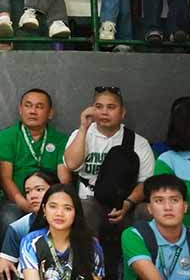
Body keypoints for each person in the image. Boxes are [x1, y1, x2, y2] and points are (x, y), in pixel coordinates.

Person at [61, 87, 155, 280]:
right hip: (89, 201)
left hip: (125, 203)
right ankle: (88, 272)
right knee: (84, 209)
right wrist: (83, 127)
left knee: (147, 211)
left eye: (111, 107)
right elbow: (71, 164)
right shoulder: (81, 134)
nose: (104, 112)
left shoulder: (138, 142)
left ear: (122, 112)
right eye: (99, 106)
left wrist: (128, 203)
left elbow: (146, 183)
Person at [0, 89, 67, 239]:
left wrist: (52, 203)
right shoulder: (6, 137)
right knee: (9, 218)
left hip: (51, 201)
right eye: (28, 106)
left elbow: (64, 179)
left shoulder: (61, 139)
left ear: (50, 113)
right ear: (20, 110)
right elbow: (5, 177)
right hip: (15, 200)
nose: (33, 111)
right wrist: (23, 202)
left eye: (39, 106)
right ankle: (9, 255)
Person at [19, 183, 105, 280]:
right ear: (44, 209)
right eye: (53, 206)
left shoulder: (91, 245)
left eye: (67, 208)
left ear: (76, 212)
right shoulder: (30, 242)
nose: (59, 213)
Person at [122, 174, 190, 280]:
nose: (168, 207)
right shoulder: (134, 235)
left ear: (185, 207)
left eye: (174, 200)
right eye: (159, 200)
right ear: (149, 208)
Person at [0, 170, 59, 280]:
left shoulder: (69, 222)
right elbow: (4, 264)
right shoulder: (18, 228)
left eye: (39, 189)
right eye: (28, 192)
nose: (32, 196)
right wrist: (3, 265)